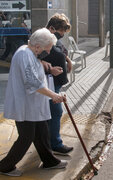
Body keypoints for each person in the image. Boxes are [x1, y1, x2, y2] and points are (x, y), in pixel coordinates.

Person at [0, 28, 68, 177]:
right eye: (47, 49)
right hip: (25, 105)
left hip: (33, 105)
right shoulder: (25, 54)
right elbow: (31, 82)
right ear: (38, 46)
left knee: (42, 132)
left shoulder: (30, 52)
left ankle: (49, 161)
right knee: (27, 137)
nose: (48, 53)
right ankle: (5, 166)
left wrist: (50, 70)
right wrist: (53, 95)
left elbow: (37, 67)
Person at [42, 13, 73, 155]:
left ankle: (49, 142)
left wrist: (67, 59)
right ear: (53, 28)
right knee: (56, 112)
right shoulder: (42, 38)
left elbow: (58, 49)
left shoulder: (52, 38)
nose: (62, 35)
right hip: (49, 82)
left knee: (53, 113)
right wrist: (50, 68)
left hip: (55, 82)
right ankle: (55, 144)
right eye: (61, 31)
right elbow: (32, 57)